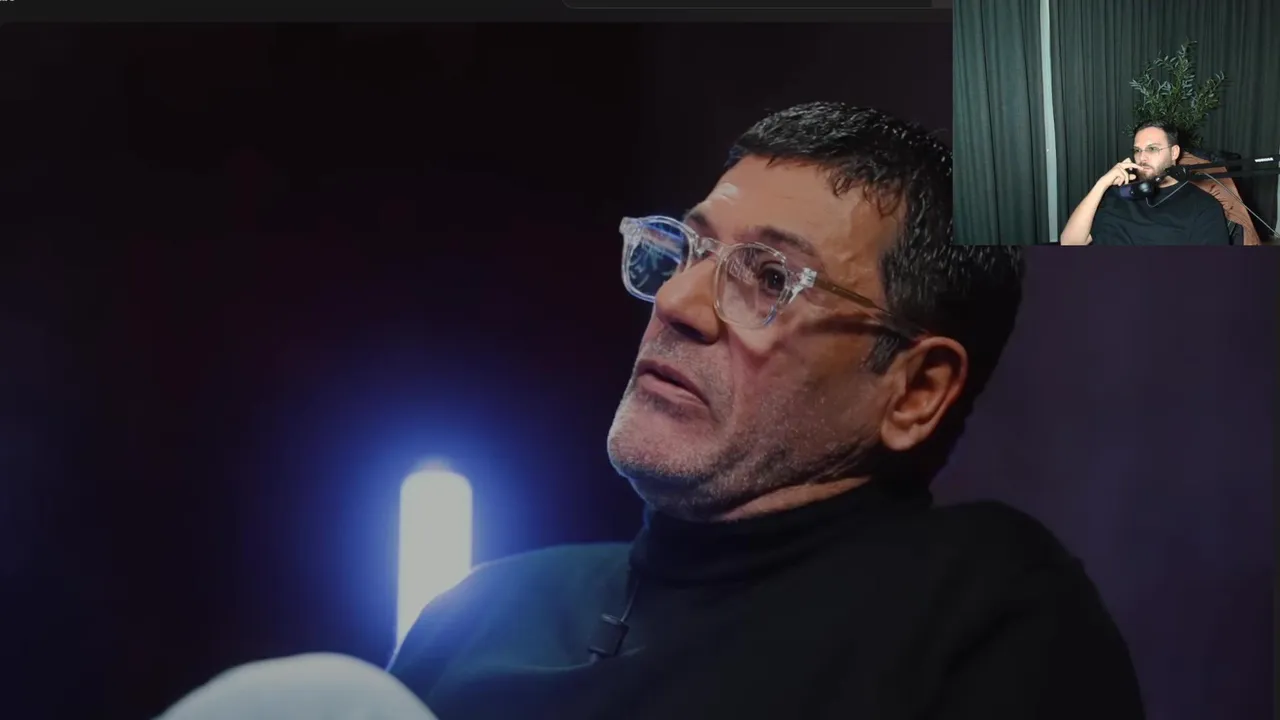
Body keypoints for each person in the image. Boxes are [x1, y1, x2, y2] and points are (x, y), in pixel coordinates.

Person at [158, 103, 1144, 719]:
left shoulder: (982, 609)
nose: (675, 303)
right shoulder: (480, 612)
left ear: (914, 390)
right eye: (686, 250)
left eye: (767, 278)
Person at [1060, 121, 1230, 245]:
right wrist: (1101, 184)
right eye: (1137, 150)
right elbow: (1070, 242)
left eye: (1152, 149)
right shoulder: (1117, 193)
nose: (1142, 157)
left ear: (1174, 152)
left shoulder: (1202, 207)